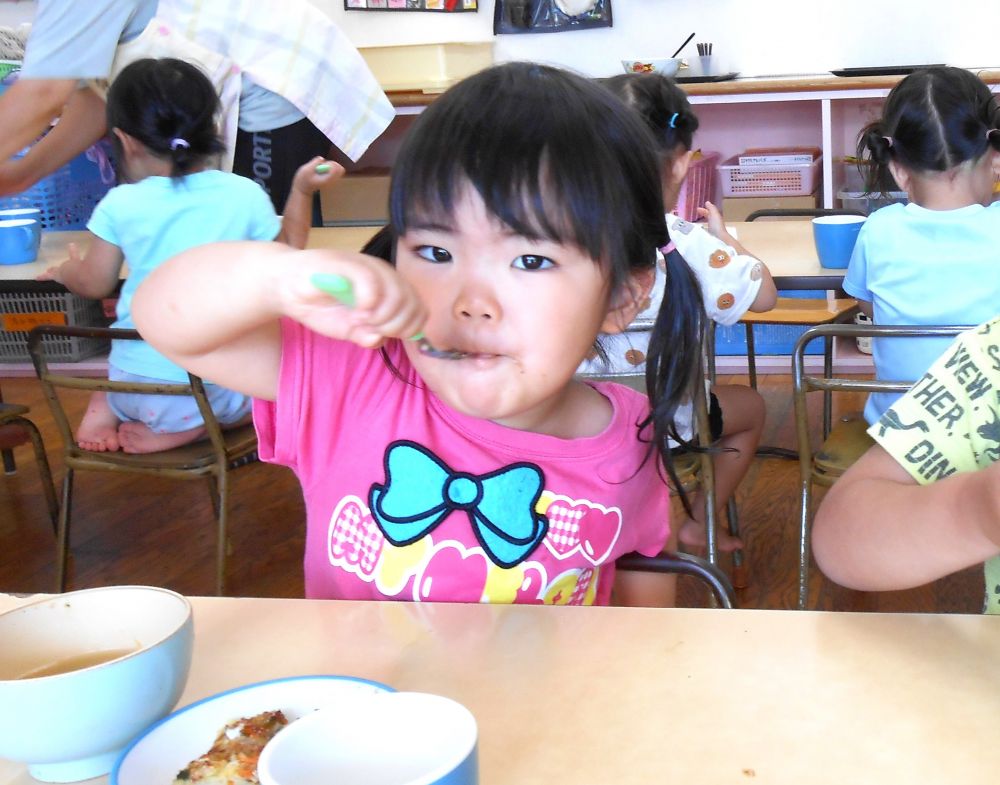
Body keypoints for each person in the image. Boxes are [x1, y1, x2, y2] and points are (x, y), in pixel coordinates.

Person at [131, 62, 709, 607]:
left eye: (531, 261)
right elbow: (166, 318)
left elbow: (640, 610)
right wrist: (278, 277)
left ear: (622, 298)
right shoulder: (352, 375)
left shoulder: (631, 440)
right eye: (436, 251)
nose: (472, 303)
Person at [38, 57, 341, 454]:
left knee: (132, 371)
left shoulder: (120, 203)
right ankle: (194, 429)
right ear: (214, 129)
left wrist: (65, 271)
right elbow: (288, 254)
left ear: (125, 141)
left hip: (133, 380)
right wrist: (301, 191)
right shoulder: (242, 193)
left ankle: (111, 405)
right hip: (211, 387)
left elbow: (94, 283)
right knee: (288, 386)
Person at [588, 71, 777, 552]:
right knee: (752, 409)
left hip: (569, 424)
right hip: (669, 429)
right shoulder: (687, 245)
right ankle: (699, 520)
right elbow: (765, 298)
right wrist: (728, 243)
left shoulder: (551, 249)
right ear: (681, 165)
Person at [0, 0, 392, 222]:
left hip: (272, 80)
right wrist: (21, 175)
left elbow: (43, 94)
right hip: (226, 89)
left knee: (259, 246)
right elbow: (94, 101)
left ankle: (283, 359)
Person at [842, 66, 1000, 424]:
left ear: (898, 169)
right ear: (995, 158)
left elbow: (868, 304)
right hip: (990, 438)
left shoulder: (878, 229)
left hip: (900, 434)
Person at [812, 316, 1000, 613]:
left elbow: (865, 307)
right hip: (924, 426)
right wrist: (980, 509)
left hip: (896, 411)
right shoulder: (990, 355)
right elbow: (841, 537)